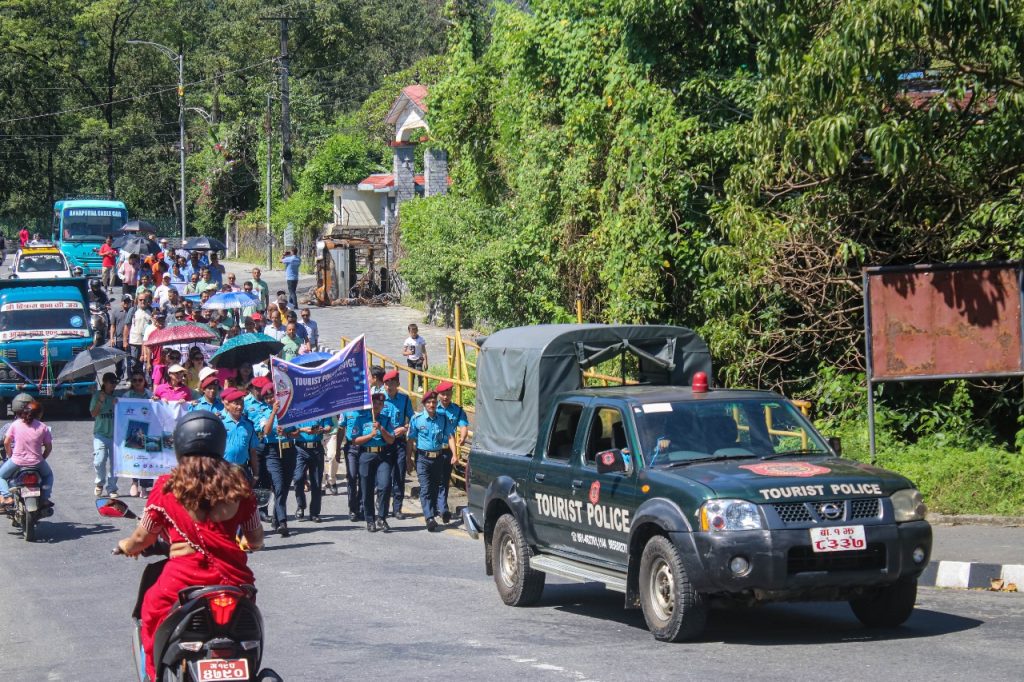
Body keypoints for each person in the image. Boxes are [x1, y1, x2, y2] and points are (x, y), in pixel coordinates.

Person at [114, 411, 263, 681]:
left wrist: (126, 546)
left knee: (149, 612)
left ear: (180, 444)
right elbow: (256, 540)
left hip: (182, 583)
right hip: (234, 580)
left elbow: (143, 538)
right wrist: (241, 541)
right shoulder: (241, 486)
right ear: (220, 442)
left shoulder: (166, 487)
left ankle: (154, 675)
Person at [408, 390, 455, 532]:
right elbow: (410, 440)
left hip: (438, 457)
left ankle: (433, 511)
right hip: (422, 458)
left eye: (434, 402)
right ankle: (429, 517)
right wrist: (408, 459)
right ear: (424, 404)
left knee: (435, 487)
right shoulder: (417, 419)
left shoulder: (443, 418)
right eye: (429, 402)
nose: (432, 404)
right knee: (425, 488)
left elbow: (451, 436)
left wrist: (454, 454)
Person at [254, 383, 298, 537]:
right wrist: (273, 413)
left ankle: (277, 516)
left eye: (271, 396)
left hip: (288, 450)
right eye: (266, 397)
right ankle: (283, 521)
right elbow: (265, 431)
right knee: (278, 486)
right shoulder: (263, 411)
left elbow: (296, 433)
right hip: (272, 451)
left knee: (285, 486)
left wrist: (286, 432)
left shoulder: (287, 409)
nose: (269, 399)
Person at [353, 391, 397, 532]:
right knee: (367, 489)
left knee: (384, 485)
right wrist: (370, 435)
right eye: (375, 403)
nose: (377, 406)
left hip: (382, 455)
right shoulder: (361, 418)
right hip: (366, 455)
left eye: (380, 404)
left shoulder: (385, 419)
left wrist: (381, 429)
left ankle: (382, 518)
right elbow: (354, 440)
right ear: (371, 404)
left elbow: (391, 439)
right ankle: (370, 519)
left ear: (383, 405)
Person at [0, 400, 53, 508]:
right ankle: (45, 498)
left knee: (1, 476)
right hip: (37, 462)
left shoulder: (15, 425)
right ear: (39, 414)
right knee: (48, 475)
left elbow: (6, 442)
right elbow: (48, 447)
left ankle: (7, 497)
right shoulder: (43, 427)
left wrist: (11, 455)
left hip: (17, 462)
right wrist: (42, 458)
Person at [436, 380, 470, 523]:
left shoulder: (457, 410)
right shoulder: (432, 407)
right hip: (432, 449)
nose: (445, 397)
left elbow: (463, 424)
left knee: (444, 480)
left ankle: (443, 509)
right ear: (439, 395)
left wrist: (462, 436)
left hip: (448, 450)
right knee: (433, 481)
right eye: (443, 394)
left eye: (448, 394)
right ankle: (433, 506)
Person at [382, 370, 413, 520]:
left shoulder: (405, 399)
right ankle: (382, 504)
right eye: (387, 383)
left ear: (398, 385)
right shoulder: (379, 400)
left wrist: (405, 428)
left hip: (399, 441)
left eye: (392, 384)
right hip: (384, 441)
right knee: (384, 476)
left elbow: (412, 419)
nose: (389, 387)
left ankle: (397, 507)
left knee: (399, 475)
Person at [120, 369, 154, 497]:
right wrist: (117, 403)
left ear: (144, 381)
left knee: (146, 459)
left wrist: (157, 401)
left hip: (149, 429)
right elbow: (121, 411)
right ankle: (134, 483)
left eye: (140, 380)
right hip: (133, 429)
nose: (137, 383)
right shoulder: (127, 396)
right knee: (134, 458)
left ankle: (145, 487)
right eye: (134, 380)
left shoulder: (150, 394)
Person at [292, 416, 330, 523]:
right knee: (298, 478)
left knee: (317, 482)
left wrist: (321, 430)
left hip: (316, 449)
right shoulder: (297, 410)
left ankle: (314, 513)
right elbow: (291, 429)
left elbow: (328, 427)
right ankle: (301, 505)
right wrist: (303, 430)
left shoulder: (320, 408)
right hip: (300, 448)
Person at [220, 388, 260, 480]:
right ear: (227, 405)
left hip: (242, 470)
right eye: (236, 404)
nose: (239, 407)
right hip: (223, 471)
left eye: (241, 404)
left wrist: (256, 475)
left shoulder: (248, 425)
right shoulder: (220, 423)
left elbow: (252, 452)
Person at [90, 372, 119, 498]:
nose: (113, 385)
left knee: (115, 463)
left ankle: (112, 488)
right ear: (105, 383)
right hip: (101, 434)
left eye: (115, 382)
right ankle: (100, 482)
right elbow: (93, 414)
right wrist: (101, 402)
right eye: (111, 382)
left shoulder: (117, 397)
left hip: (115, 435)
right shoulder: (97, 395)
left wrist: (117, 404)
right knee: (99, 460)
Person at [403, 323, 428, 389]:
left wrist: (426, 362)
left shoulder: (421, 339)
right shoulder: (407, 340)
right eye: (412, 332)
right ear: (409, 332)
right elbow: (403, 352)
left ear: (417, 331)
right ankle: (411, 389)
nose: (414, 334)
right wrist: (408, 353)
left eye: (415, 332)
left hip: (419, 358)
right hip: (410, 360)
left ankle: (420, 385)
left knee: (419, 370)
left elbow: (424, 351)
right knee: (412, 375)